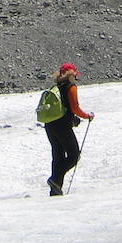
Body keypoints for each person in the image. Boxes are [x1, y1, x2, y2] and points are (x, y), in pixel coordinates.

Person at [42, 62, 94, 196]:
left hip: (50, 125)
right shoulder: (71, 87)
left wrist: (74, 119)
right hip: (62, 126)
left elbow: (64, 106)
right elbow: (75, 107)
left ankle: (55, 190)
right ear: (72, 74)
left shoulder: (57, 86)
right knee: (74, 156)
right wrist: (87, 116)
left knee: (57, 156)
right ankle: (55, 179)